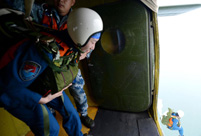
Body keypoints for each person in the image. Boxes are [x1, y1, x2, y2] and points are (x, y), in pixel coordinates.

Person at [0, 7, 103, 136]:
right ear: (82, 35)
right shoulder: (42, 53)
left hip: (41, 85)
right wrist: (42, 100)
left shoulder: (69, 41)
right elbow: (8, 89)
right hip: (18, 94)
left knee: (70, 112)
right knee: (51, 128)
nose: (93, 47)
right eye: (93, 42)